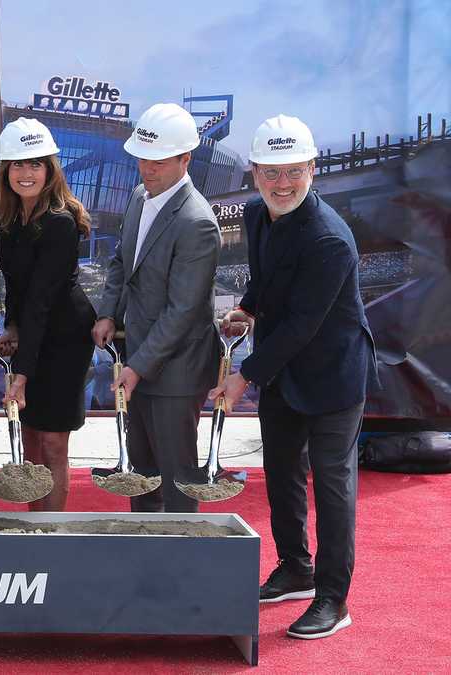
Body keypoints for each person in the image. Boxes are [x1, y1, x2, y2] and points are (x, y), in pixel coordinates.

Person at [211, 114, 379, 639]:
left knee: (332, 488)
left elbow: (305, 325)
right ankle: (295, 569)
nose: (282, 184)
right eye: (271, 173)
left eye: (293, 172)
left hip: (332, 375)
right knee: (281, 472)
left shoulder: (330, 239)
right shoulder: (259, 215)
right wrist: (246, 309)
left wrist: (243, 375)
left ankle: (333, 598)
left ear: (312, 169)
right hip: (284, 372)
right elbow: (267, 278)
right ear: (256, 173)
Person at [93, 103, 222, 513]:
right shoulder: (137, 197)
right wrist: (108, 311)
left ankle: (180, 570)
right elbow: (121, 261)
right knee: (141, 478)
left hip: (176, 372)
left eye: (159, 162)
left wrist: (137, 366)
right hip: (141, 361)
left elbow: (183, 311)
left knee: (177, 482)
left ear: (186, 158)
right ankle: (144, 564)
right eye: (142, 159)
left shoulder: (196, 222)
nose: (147, 169)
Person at [0, 118, 97, 511]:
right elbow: (18, 289)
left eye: (35, 164)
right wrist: (11, 327)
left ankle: (53, 535)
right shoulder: (7, 218)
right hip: (33, 332)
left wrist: (22, 375)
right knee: (30, 435)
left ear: (50, 169)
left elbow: (42, 300)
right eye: (17, 164)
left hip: (64, 337)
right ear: (6, 171)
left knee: (52, 439)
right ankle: (36, 530)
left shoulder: (59, 223)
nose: (26, 172)